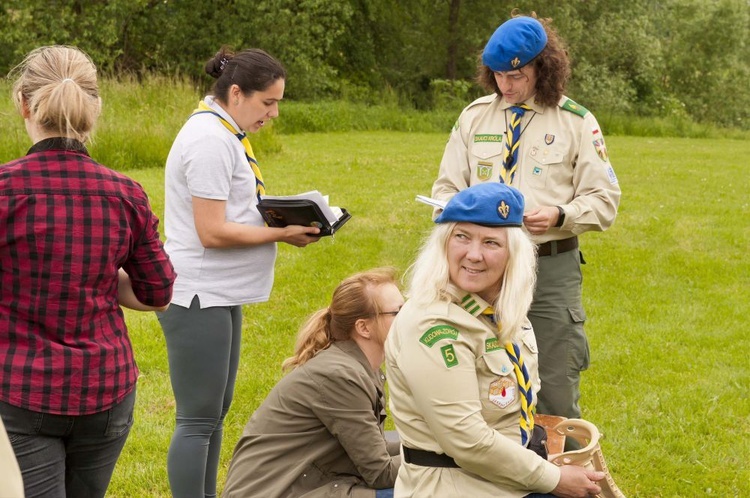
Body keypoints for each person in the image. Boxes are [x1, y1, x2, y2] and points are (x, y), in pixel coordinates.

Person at [0, 45, 176, 498]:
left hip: (19, 388)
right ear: (93, 108)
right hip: (105, 388)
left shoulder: (4, 191)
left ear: (23, 103)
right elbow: (156, 291)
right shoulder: (125, 194)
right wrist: (96, 274)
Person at [431, 13, 621, 420]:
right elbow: (445, 188)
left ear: (543, 67)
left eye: (516, 75)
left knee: (555, 384)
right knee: (476, 380)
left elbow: (605, 200)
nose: (506, 85)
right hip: (478, 267)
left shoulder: (575, 121)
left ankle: (559, 476)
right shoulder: (475, 117)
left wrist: (559, 214)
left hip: (547, 269)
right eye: (498, 75)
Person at [158, 46, 322, 498]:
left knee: (214, 412)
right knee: (196, 419)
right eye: (267, 102)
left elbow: (230, 212)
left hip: (220, 292)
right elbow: (211, 231)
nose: (272, 113)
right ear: (235, 92)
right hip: (197, 293)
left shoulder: (225, 133)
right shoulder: (209, 140)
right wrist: (281, 233)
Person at [385, 182, 605, 497]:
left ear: (513, 255)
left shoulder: (499, 312)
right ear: (444, 243)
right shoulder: (432, 326)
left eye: (491, 242)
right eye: (461, 237)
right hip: (459, 487)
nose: (473, 255)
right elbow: (469, 441)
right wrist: (554, 478)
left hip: (510, 477)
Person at [222, 268, 402, 498]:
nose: (408, 317)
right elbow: (380, 473)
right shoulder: (340, 376)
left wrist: (440, 446)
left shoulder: (360, 365)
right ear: (363, 327)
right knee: (431, 487)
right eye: (398, 312)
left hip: (306, 483)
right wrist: (448, 459)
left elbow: (374, 448)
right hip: (278, 492)